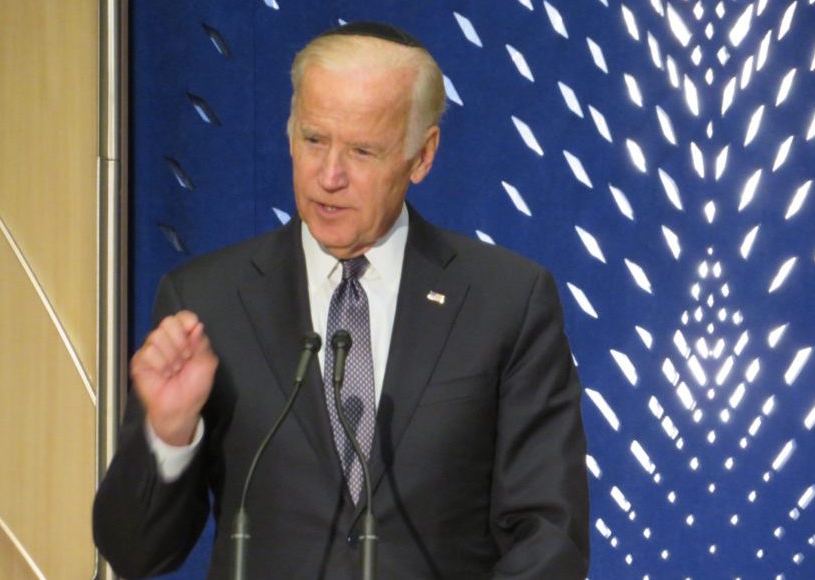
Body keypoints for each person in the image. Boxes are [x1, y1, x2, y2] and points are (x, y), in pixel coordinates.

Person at [93, 21, 589, 579]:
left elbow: (550, 535)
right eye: (313, 140)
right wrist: (169, 433)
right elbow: (135, 552)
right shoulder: (209, 300)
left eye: (361, 150)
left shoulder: (506, 301)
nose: (329, 176)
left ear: (421, 156)